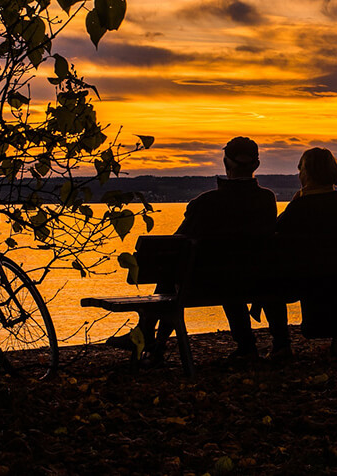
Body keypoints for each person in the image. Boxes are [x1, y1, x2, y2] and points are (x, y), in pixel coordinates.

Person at [108, 137, 291, 361]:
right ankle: (254, 346)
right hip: (256, 280)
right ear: (257, 164)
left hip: (208, 284)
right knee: (222, 273)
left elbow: (175, 245)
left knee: (173, 268)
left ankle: (148, 335)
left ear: (226, 163)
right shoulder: (266, 200)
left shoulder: (207, 202)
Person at [275, 147, 337, 340]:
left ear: (307, 173)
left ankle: (281, 344)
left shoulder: (300, 207)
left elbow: (276, 233)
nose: (299, 175)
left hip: (310, 280)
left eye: (300, 170)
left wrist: (295, 202)